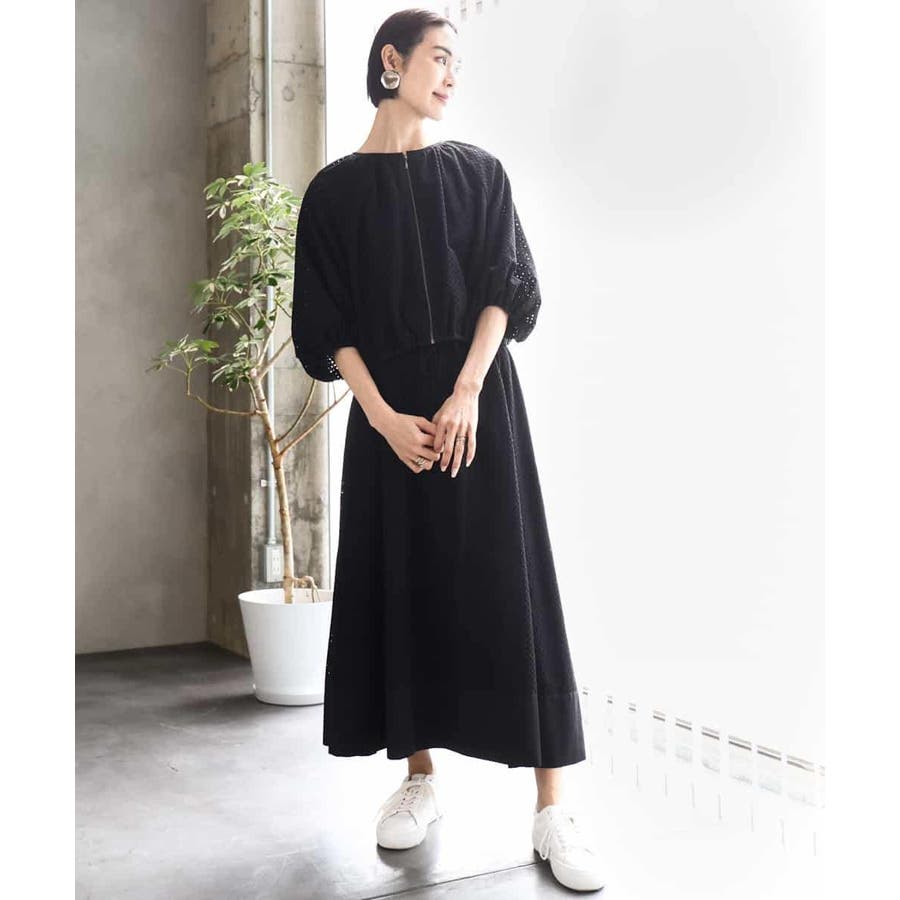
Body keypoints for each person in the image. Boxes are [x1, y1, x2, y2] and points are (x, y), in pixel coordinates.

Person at [291, 8, 604, 892]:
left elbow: (506, 286)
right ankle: (419, 776)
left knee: (515, 589)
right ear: (391, 62)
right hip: (389, 421)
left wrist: (466, 391)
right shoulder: (332, 194)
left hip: (481, 409)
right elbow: (326, 326)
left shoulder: (479, 173)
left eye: (458, 62)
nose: (452, 76)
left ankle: (553, 807)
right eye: (440, 57)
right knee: (405, 584)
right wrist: (383, 417)